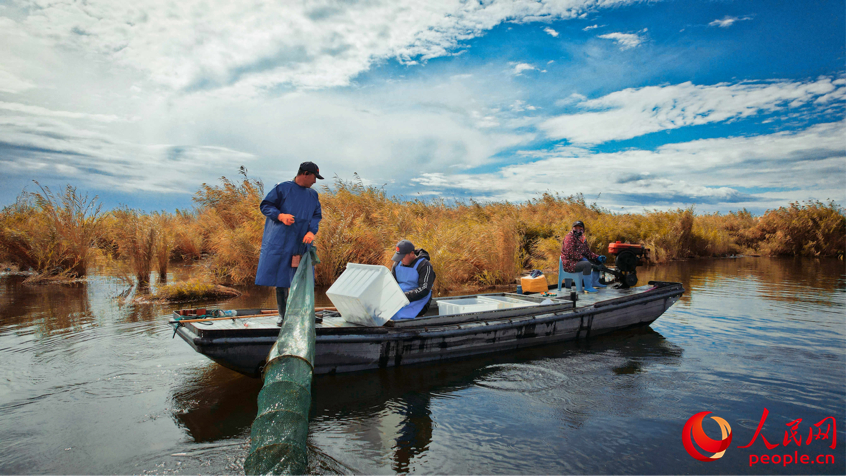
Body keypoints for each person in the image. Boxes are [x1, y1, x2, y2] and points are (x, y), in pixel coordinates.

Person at [255, 162, 324, 325]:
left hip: (301, 243)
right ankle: (284, 315)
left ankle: (305, 314)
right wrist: (280, 216)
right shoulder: (282, 188)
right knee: (282, 278)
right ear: (306, 174)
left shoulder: (313, 195)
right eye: (314, 177)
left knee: (303, 278)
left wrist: (311, 231)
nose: (315, 181)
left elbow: (316, 215)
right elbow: (265, 205)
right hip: (281, 241)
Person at [390, 240, 435, 319]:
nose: (401, 260)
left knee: (397, 315)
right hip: (400, 299)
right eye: (399, 257)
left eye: (403, 257)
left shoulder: (424, 265)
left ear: (411, 253)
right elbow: (391, 284)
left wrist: (405, 296)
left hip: (419, 300)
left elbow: (424, 289)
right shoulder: (397, 264)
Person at [560, 220, 606, 293]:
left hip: (578, 261)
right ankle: (588, 287)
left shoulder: (582, 238)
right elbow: (570, 252)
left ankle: (595, 282)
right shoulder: (569, 237)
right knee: (587, 264)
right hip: (569, 263)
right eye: (576, 228)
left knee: (596, 261)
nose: (578, 230)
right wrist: (582, 258)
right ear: (572, 228)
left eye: (580, 228)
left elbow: (587, 252)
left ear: (583, 230)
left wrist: (597, 257)